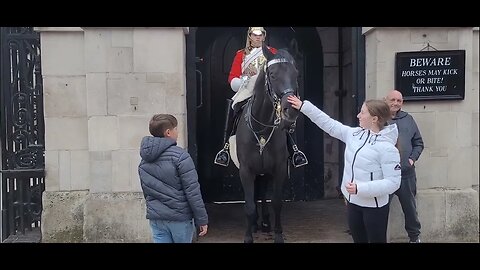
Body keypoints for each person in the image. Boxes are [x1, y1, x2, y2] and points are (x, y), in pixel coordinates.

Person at [287, 95, 401, 243]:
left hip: (374, 208)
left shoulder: (387, 148)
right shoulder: (354, 134)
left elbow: (393, 182)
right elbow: (329, 124)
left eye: (362, 112)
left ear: (374, 119)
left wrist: (361, 188)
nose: (358, 115)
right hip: (353, 203)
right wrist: (304, 107)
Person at [214, 27, 308, 168]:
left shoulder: (273, 53)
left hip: (270, 91)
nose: (258, 37)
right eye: (255, 35)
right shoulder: (241, 55)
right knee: (234, 107)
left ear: (264, 36)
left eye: (261, 35)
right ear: (250, 36)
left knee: (286, 112)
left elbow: (281, 72)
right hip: (247, 90)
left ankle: (294, 149)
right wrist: (244, 78)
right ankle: (225, 147)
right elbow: (232, 78)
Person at [138, 114, 208, 243]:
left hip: (157, 219)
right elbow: (192, 191)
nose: (178, 132)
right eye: (176, 129)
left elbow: (146, 191)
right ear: (168, 132)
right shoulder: (181, 156)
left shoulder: (144, 160)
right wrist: (202, 219)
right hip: (180, 219)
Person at [385, 90, 424, 243]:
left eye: (399, 100)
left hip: (406, 175)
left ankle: (414, 238)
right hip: (384, 176)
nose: (395, 103)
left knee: (410, 210)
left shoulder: (409, 119)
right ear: (386, 100)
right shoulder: (379, 119)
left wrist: (412, 159)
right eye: (392, 100)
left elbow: (418, 143)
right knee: (379, 210)